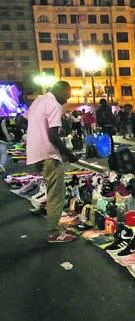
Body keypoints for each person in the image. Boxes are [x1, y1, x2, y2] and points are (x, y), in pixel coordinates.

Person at [24, 81, 79, 243]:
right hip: (48, 154)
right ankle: (54, 233)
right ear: (61, 90)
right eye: (67, 96)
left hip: (35, 153)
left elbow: (24, 121)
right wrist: (69, 154)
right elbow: (53, 136)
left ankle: (55, 227)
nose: (66, 101)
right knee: (56, 194)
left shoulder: (38, 100)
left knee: (51, 191)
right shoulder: (54, 104)